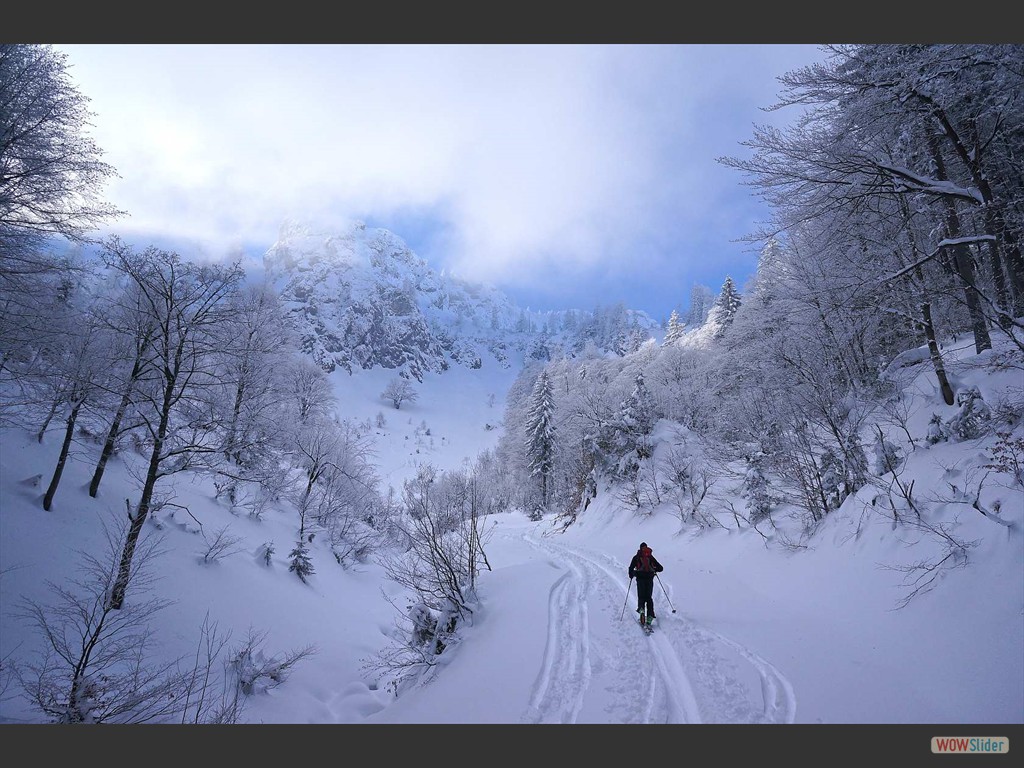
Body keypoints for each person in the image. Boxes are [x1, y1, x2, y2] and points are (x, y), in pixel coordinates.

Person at [628, 542, 664, 624]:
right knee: (648, 597)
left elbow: (630, 568)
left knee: (641, 597)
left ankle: (641, 610)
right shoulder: (650, 557)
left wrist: (632, 574)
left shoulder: (636, 557)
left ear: (640, 548)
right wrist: (654, 570)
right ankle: (650, 616)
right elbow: (660, 568)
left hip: (640, 579)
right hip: (649, 579)